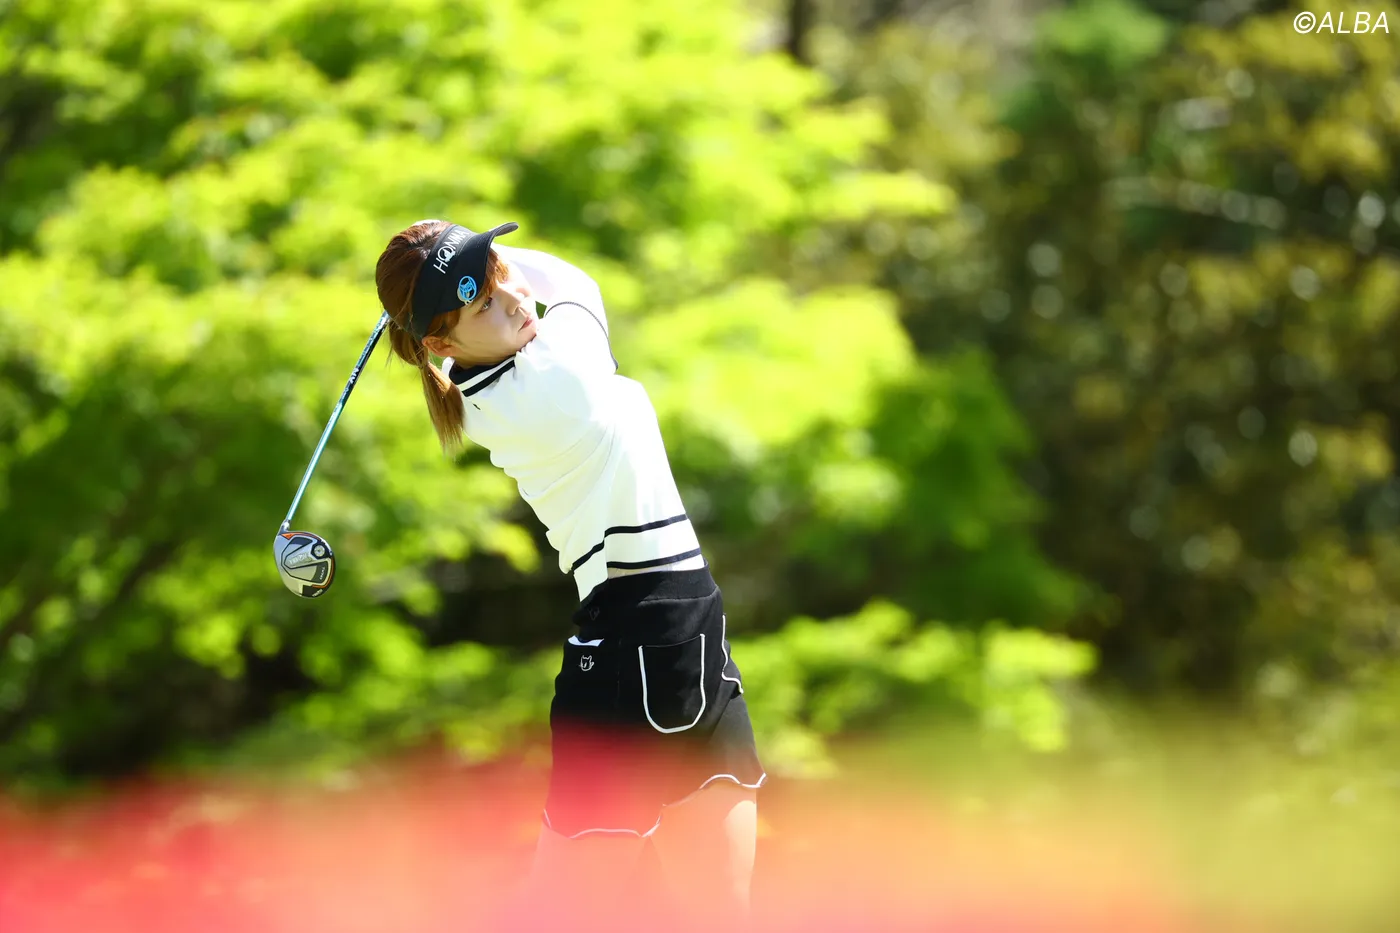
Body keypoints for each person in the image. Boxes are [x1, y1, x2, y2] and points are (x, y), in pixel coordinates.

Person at [374, 219, 766, 929]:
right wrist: (480, 254)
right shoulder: (552, 381)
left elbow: (528, 295)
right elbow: (575, 283)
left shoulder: (487, 379)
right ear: (441, 344)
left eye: (504, 282)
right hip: (631, 646)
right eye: (485, 304)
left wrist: (467, 262)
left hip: (686, 630)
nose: (515, 301)